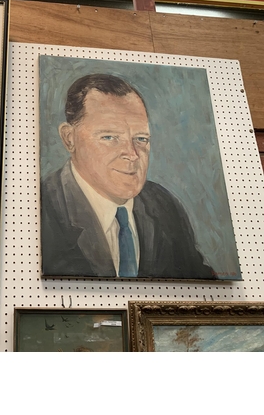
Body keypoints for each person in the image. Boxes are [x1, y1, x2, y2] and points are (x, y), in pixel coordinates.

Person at [41, 73, 215, 280]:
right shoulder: (42, 209)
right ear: (69, 138)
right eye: (109, 137)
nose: (132, 154)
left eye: (141, 139)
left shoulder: (164, 206)